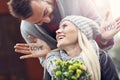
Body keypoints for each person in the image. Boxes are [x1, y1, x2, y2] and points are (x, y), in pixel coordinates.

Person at [7, 0, 119, 64]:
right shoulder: (27, 29)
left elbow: (100, 35)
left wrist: (103, 38)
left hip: (98, 65)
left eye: (45, 12)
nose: (47, 20)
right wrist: (47, 56)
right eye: (38, 22)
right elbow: (49, 66)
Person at [46, 15, 119, 80]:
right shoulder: (52, 63)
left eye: (65, 26)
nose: (57, 31)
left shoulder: (101, 58)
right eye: (59, 28)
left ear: (81, 31)